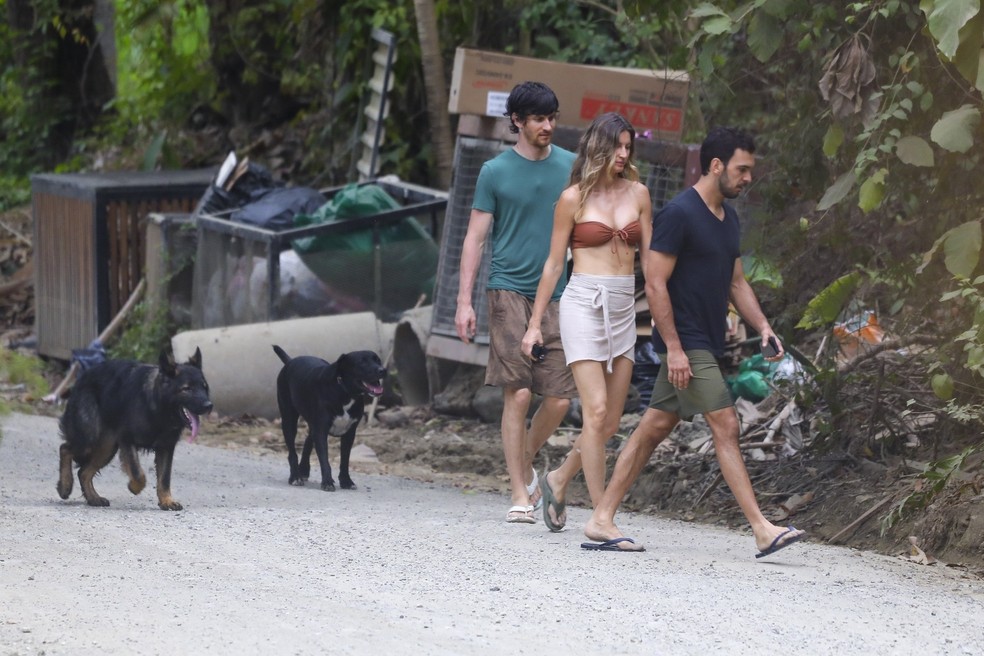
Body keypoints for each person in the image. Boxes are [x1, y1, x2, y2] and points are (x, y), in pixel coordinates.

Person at [582, 126, 806, 556]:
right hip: (686, 342)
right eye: (742, 170)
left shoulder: (728, 218)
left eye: (750, 171)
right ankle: (762, 528)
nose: (748, 178)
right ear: (716, 165)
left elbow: (737, 283)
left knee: (652, 429)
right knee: (726, 424)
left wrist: (763, 327)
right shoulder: (680, 214)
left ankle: (600, 517)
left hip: (702, 341)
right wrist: (676, 349)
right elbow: (655, 282)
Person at [520, 112, 651, 546]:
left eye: (629, 147)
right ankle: (601, 518)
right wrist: (535, 324)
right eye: (617, 146)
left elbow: (651, 263)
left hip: (622, 308)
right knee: (594, 412)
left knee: (609, 422)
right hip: (582, 304)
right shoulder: (572, 198)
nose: (624, 154)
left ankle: (559, 477)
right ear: (599, 147)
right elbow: (554, 264)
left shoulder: (640, 194)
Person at [455, 81, 578, 524]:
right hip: (507, 289)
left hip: (559, 294)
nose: (548, 126)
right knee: (520, 391)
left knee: (562, 397)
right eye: (539, 119)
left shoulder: (571, 166)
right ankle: (518, 494)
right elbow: (474, 237)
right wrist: (464, 301)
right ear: (517, 121)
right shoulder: (494, 172)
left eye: (552, 118)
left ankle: (524, 462)